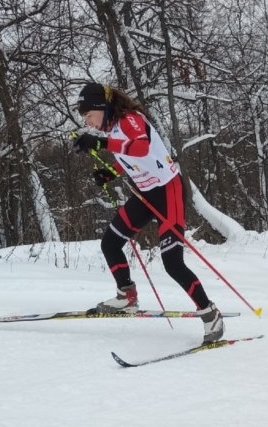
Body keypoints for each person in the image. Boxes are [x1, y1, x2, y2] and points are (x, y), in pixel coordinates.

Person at [73, 83, 224, 344]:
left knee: (173, 263)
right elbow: (131, 158)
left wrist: (101, 142)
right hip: (145, 194)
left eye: (88, 116)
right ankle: (126, 297)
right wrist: (110, 173)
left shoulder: (129, 120)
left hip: (168, 192)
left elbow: (141, 148)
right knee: (110, 243)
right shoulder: (113, 128)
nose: (89, 123)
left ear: (101, 107)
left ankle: (210, 314)